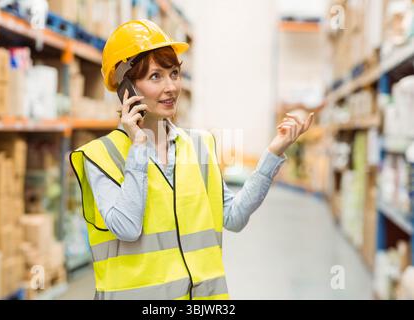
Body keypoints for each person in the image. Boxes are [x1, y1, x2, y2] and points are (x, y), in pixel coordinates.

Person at [70, 19, 314, 300]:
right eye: (155, 77)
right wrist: (138, 146)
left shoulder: (199, 146)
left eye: (174, 73)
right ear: (126, 87)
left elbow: (233, 218)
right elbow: (127, 227)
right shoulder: (101, 157)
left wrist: (273, 153)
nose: (171, 87)